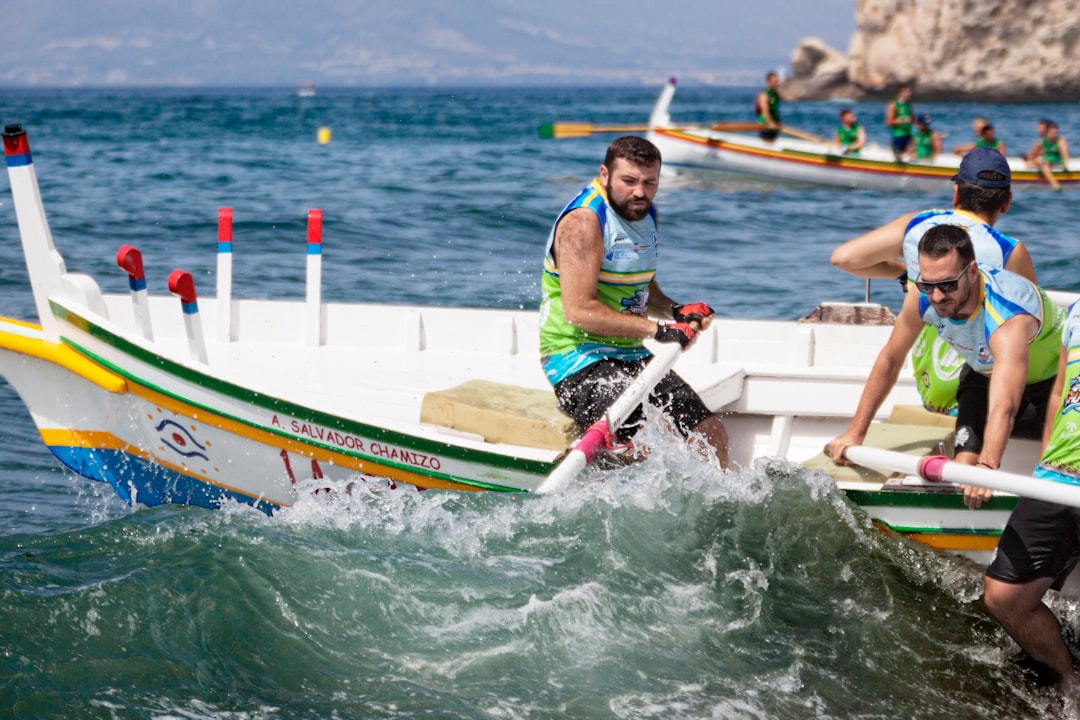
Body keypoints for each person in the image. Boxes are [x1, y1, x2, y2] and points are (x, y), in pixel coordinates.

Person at [826, 224, 1063, 509]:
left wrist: (987, 469)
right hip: (983, 372)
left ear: (972, 272)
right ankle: (960, 483)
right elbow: (890, 358)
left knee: (1055, 462)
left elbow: (1005, 407)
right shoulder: (922, 296)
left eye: (948, 285)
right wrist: (855, 432)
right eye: (928, 285)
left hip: (1053, 382)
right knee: (965, 455)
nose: (937, 297)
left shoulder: (1006, 317)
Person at [539, 136, 729, 467]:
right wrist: (660, 330)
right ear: (604, 175)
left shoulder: (643, 212)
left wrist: (673, 309)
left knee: (711, 436)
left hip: (631, 354)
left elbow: (638, 280)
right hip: (577, 360)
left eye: (649, 182)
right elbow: (579, 310)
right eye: (629, 181)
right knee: (642, 450)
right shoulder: (584, 223)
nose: (639, 192)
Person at [830, 147, 1037, 415]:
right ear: (1006, 202)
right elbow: (1035, 330)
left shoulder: (919, 224)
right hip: (975, 393)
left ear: (956, 193)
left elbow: (844, 258)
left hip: (932, 387)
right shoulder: (1009, 250)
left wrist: (913, 278)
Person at [982, 299, 1080, 686]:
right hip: (1059, 476)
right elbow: (1059, 391)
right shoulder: (1076, 312)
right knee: (1004, 596)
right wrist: (1043, 468)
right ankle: (1070, 678)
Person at [1026, 120, 1069, 191]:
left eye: (1055, 133)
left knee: (1039, 160)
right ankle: (1041, 172)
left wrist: (1065, 165)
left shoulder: (1061, 141)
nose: (1054, 134)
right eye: (1051, 132)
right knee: (1031, 163)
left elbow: (1065, 156)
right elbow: (1032, 154)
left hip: (1055, 161)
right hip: (1044, 161)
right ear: (1047, 132)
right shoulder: (1041, 142)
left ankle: (1056, 186)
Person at [885, 82, 914, 161]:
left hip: (908, 134)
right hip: (898, 135)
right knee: (899, 157)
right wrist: (903, 121)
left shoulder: (908, 104)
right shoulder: (893, 105)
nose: (910, 94)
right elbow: (889, 122)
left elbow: (913, 120)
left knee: (912, 154)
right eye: (907, 92)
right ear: (901, 93)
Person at [755, 72, 782, 142]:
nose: (777, 83)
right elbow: (765, 111)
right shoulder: (764, 95)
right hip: (766, 127)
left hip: (773, 126)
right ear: (769, 82)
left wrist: (778, 121)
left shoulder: (775, 94)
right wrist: (770, 123)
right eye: (775, 82)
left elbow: (774, 110)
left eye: (778, 81)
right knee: (768, 143)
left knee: (774, 142)